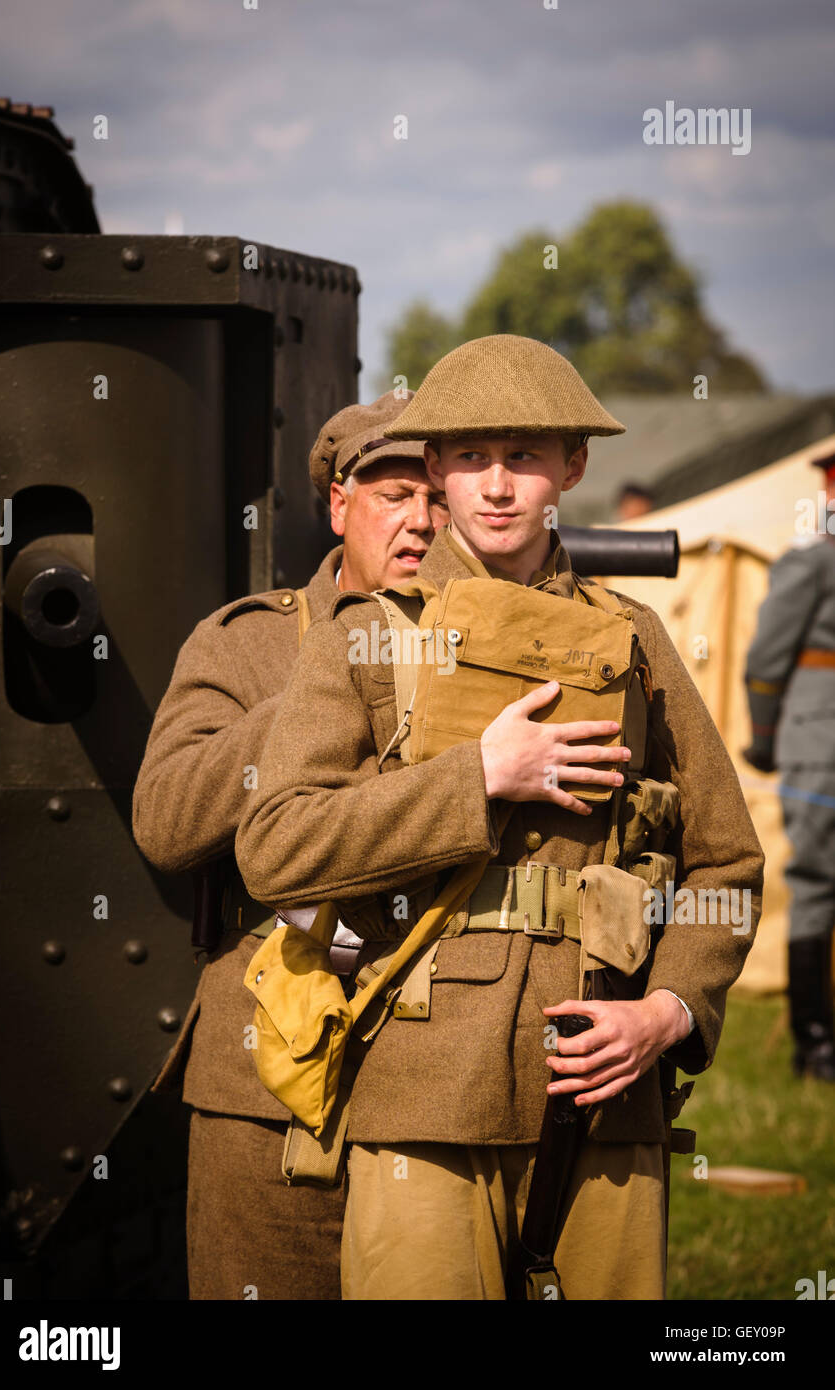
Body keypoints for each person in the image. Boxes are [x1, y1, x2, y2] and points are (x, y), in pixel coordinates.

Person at [235, 334, 765, 1301]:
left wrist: (670, 1010)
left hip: (606, 1098)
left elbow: (726, 865)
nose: (498, 485)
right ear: (434, 468)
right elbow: (277, 846)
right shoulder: (363, 639)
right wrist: (474, 778)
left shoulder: (637, 641)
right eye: (471, 457)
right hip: (423, 1091)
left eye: (525, 456)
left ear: (574, 466)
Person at [131, 390, 449, 1299]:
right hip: (264, 1070)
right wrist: (316, 693)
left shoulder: (495, 647)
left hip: (438, 1068)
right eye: (395, 494)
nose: (421, 520)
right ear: (340, 504)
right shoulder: (249, 644)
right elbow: (165, 820)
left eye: (437, 496)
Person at [743, 448, 835, 1083]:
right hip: (820, 738)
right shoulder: (816, 560)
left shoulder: (814, 558)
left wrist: (770, 739)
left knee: (819, 886)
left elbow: (767, 661)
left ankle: (818, 1040)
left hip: (816, 737)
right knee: (820, 884)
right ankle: (817, 1040)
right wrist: (771, 740)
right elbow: (768, 660)